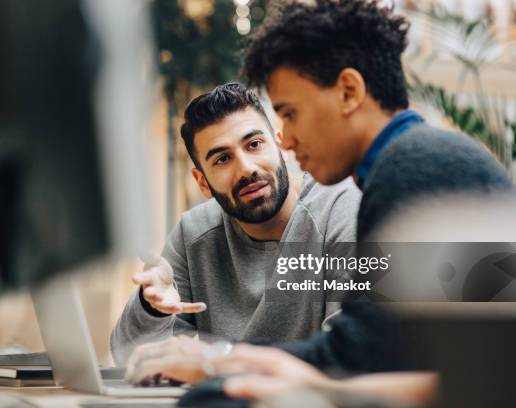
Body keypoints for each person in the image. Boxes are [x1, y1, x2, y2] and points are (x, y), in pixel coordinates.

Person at [124, 0, 514, 405]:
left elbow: (359, 357)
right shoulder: (414, 159)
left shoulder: (416, 168)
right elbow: (381, 353)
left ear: (348, 92)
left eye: (290, 114)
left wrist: (216, 359)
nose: (286, 140)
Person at [110, 83, 361, 365]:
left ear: (279, 145)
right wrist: (151, 309)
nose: (246, 168)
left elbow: (354, 352)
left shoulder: (344, 209)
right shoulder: (193, 233)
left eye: (254, 145)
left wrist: (216, 362)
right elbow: (127, 358)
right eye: (223, 159)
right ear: (202, 182)